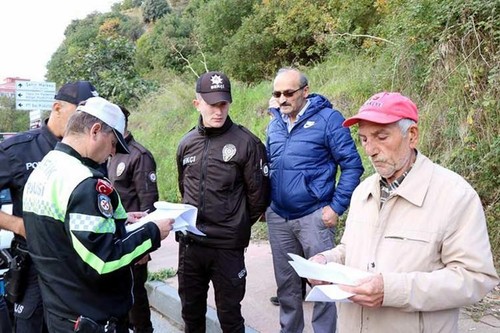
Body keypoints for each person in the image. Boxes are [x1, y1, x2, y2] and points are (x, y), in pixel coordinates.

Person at [308, 91, 500, 332]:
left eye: (381, 136)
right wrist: (327, 261)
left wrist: (391, 290)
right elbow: (351, 250)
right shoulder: (363, 192)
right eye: (364, 139)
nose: (370, 150)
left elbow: (475, 278)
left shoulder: (454, 196)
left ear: (412, 136)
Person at [22, 96, 174, 333]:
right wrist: (153, 232)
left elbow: (67, 228)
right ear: (95, 131)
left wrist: (117, 219)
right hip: (91, 318)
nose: (113, 153)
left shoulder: (47, 167)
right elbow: (103, 260)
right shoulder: (84, 183)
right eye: (114, 143)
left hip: (62, 311)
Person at [265, 67, 364, 332]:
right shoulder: (274, 123)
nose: (283, 99)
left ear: (305, 91)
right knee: (286, 288)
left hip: (314, 216)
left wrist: (336, 207)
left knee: (323, 287)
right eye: (277, 93)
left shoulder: (329, 119)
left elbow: (353, 166)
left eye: (289, 92)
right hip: (278, 218)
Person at [0, 80, 98, 333]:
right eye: (81, 112)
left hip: (79, 269)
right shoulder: (18, 150)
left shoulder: (92, 150)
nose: (87, 121)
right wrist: (19, 225)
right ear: (57, 108)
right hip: (35, 266)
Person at [176, 71, 270, 333]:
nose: (218, 110)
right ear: (197, 103)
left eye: (223, 104)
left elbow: (258, 198)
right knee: (191, 314)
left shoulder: (247, 143)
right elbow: (185, 187)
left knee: (230, 316)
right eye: (211, 104)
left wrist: (233, 223)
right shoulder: (186, 143)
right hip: (191, 245)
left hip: (227, 247)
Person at [108, 105, 158, 333]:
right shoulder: (110, 154)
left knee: (136, 299)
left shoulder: (138, 155)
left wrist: (143, 248)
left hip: (134, 240)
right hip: (115, 240)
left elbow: (149, 204)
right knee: (119, 300)